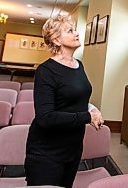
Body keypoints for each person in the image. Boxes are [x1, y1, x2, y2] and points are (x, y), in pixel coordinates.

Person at [25, 15, 103, 188]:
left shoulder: (79, 65)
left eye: (75, 29)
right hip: (47, 151)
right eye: (70, 31)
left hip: (73, 147)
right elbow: (45, 118)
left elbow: (77, 97)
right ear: (56, 39)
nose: (77, 34)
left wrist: (92, 108)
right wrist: (87, 117)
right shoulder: (45, 71)